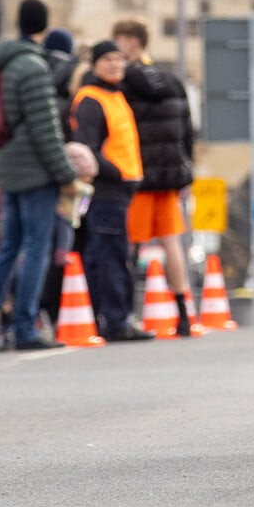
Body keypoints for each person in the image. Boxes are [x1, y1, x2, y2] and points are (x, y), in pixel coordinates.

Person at [0, 0, 77, 350]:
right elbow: (45, 129)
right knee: (37, 247)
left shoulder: (1, 64)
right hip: (35, 171)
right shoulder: (33, 67)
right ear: (44, 26)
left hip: (7, 165)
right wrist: (66, 174)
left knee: (9, 246)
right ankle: (25, 327)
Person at [113, 19, 197, 337]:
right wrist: (186, 173)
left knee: (130, 246)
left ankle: (124, 315)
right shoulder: (172, 80)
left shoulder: (124, 82)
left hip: (140, 176)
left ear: (132, 42)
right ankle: (183, 314)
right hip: (171, 177)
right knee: (172, 244)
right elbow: (187, 131)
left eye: (119, 41)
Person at [72, 40, 154, 342]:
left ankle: (108, 318)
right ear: (94, 64)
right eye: (107, 59)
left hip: (120, 191)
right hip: (107, 190)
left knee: (108, 255)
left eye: (119, 59)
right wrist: (116, 173)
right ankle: (116, 321)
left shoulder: (114, 95)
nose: (115, 64)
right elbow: (87, 149)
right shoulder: (93, 99)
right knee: (111, 258)